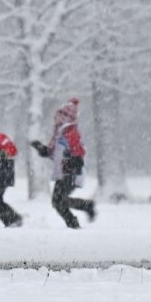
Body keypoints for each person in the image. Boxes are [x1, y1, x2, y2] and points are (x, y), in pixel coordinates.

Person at [31, 97, 96, 229]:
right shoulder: (59, 133)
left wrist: (71, 161)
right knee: (58, 202)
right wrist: (40, 148)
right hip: (63, 173)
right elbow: (53, 154)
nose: (56, 118)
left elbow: (79, 153)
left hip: (71, 173)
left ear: (67, 117)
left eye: (60, 115)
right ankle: (79, 216)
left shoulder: (71, 133)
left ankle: (75, 221)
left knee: (58, 201)